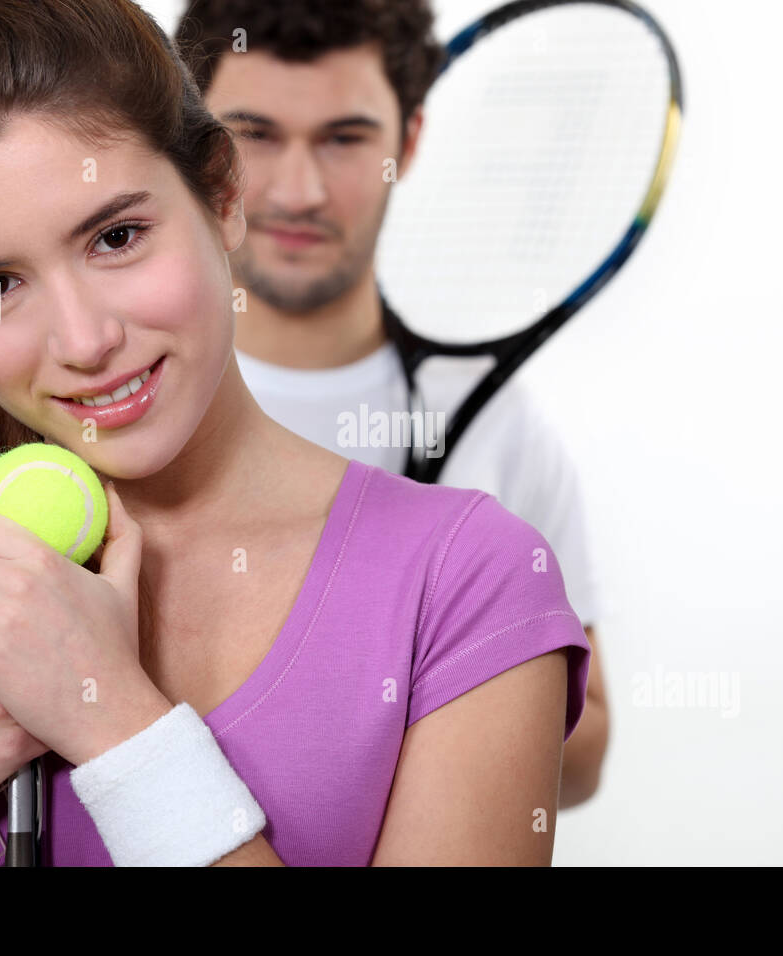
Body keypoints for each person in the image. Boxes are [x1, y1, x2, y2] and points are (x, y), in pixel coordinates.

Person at [0, 0, 589, 867]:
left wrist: (113, 723)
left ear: (223, 196)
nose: (84, 342)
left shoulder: (470, 584)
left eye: (116, 237)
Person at [174, 0, 609, 807]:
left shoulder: (499, 425)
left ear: (407, 142)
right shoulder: (132, 401)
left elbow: (585, 761)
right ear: (198, 145)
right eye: (256, 134)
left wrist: (458, 648)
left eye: (345, 138)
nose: (300, 191)